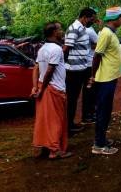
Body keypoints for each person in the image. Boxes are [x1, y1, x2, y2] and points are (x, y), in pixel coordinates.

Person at [32, 22, 71, 160]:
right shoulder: (56, 49)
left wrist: (35, 87)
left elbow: (36, 68)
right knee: (57, 120)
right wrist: (41, 89)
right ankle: (55, 150)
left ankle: (45, 145)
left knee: (45, 120)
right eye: (60, 29)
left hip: (45, 87)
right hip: (54, 89)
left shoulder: (42, 49)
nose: (62, 32)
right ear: (54, 32)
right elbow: (50, 70)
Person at [89, 6, 121, 155]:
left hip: (110, 77)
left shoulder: (110, 33)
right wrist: (93, 76)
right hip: (104, 79)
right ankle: (99, 144)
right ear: (114, 19)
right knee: (103, 111)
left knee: (106, 110)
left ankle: (102, 139)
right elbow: (97, 55)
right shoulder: (106, 34)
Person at [63, 7, 97, 136]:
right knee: (71, 99)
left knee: (76, 97)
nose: (91, 22)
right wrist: (62, 63)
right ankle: (68, 127)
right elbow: (66, 48)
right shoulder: (75, 28)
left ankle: (71, 123)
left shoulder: (82, 28)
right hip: (73, 70)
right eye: (90, 19)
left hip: (81, 68)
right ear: (84, 17)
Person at [82, 12, 100, 123]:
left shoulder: (86, 30)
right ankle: (89, 114)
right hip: (90, 63)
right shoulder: (89, 30)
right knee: (91, 90)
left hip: (88, 62)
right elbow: (100, 44)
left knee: (88, 90)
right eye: (93, 18)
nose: (94, 19)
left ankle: (88, 113)